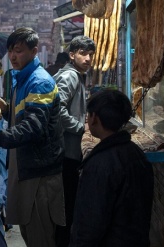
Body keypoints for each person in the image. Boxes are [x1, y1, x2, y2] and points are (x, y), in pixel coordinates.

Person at [0, 27, 65, 247]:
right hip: (25, 167)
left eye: (19, 51)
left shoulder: (39, 81)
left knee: (40, 236)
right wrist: (7, 110)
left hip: (39, 173)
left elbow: (33, 127)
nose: (13, 56)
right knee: (29, 232)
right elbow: (24, 117)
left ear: (34, 52)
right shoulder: (21, 78)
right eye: (11, 51)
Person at [69, 89, 154, 246]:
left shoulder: (99, 164)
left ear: (94, 118)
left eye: (88, 115)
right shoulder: (137, 154)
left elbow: (89, 225)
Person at [53, 35, 96, 247]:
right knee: (66, 208)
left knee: (68, 207)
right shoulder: (70, 77)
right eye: (83, 54)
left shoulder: (77, 76)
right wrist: (80, 128)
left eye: (90, 55)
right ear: (72, 55)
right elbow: (57, 109)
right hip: (66, 152)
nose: (88, 59)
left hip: (69, 151)